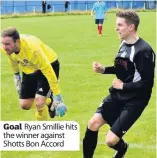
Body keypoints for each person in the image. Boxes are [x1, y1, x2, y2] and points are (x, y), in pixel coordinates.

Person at [83, 10, 155, 158]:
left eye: (120, 25)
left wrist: (123, 86)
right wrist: (104, 70)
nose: (116, 28)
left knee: (110, 141)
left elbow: (147, 84)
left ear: (131, 27)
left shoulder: (144, 51)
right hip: (117, 95)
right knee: (92, 123)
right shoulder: (123, 43)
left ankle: (122, 148)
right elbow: (123, 69)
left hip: (135, 101)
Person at [1, 27, 67, 121]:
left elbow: (48, 71)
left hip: (49, 64)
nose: (4, 47)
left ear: (17, 42)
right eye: (2, 43)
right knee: (25, 105)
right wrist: (16, 76)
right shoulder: (5, 48)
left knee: (39, 102)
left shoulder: (33, 51)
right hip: (29, 67)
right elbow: (12, 58)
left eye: (7, 44)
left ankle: (42, 130)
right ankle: (49, 101)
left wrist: (57, 96)